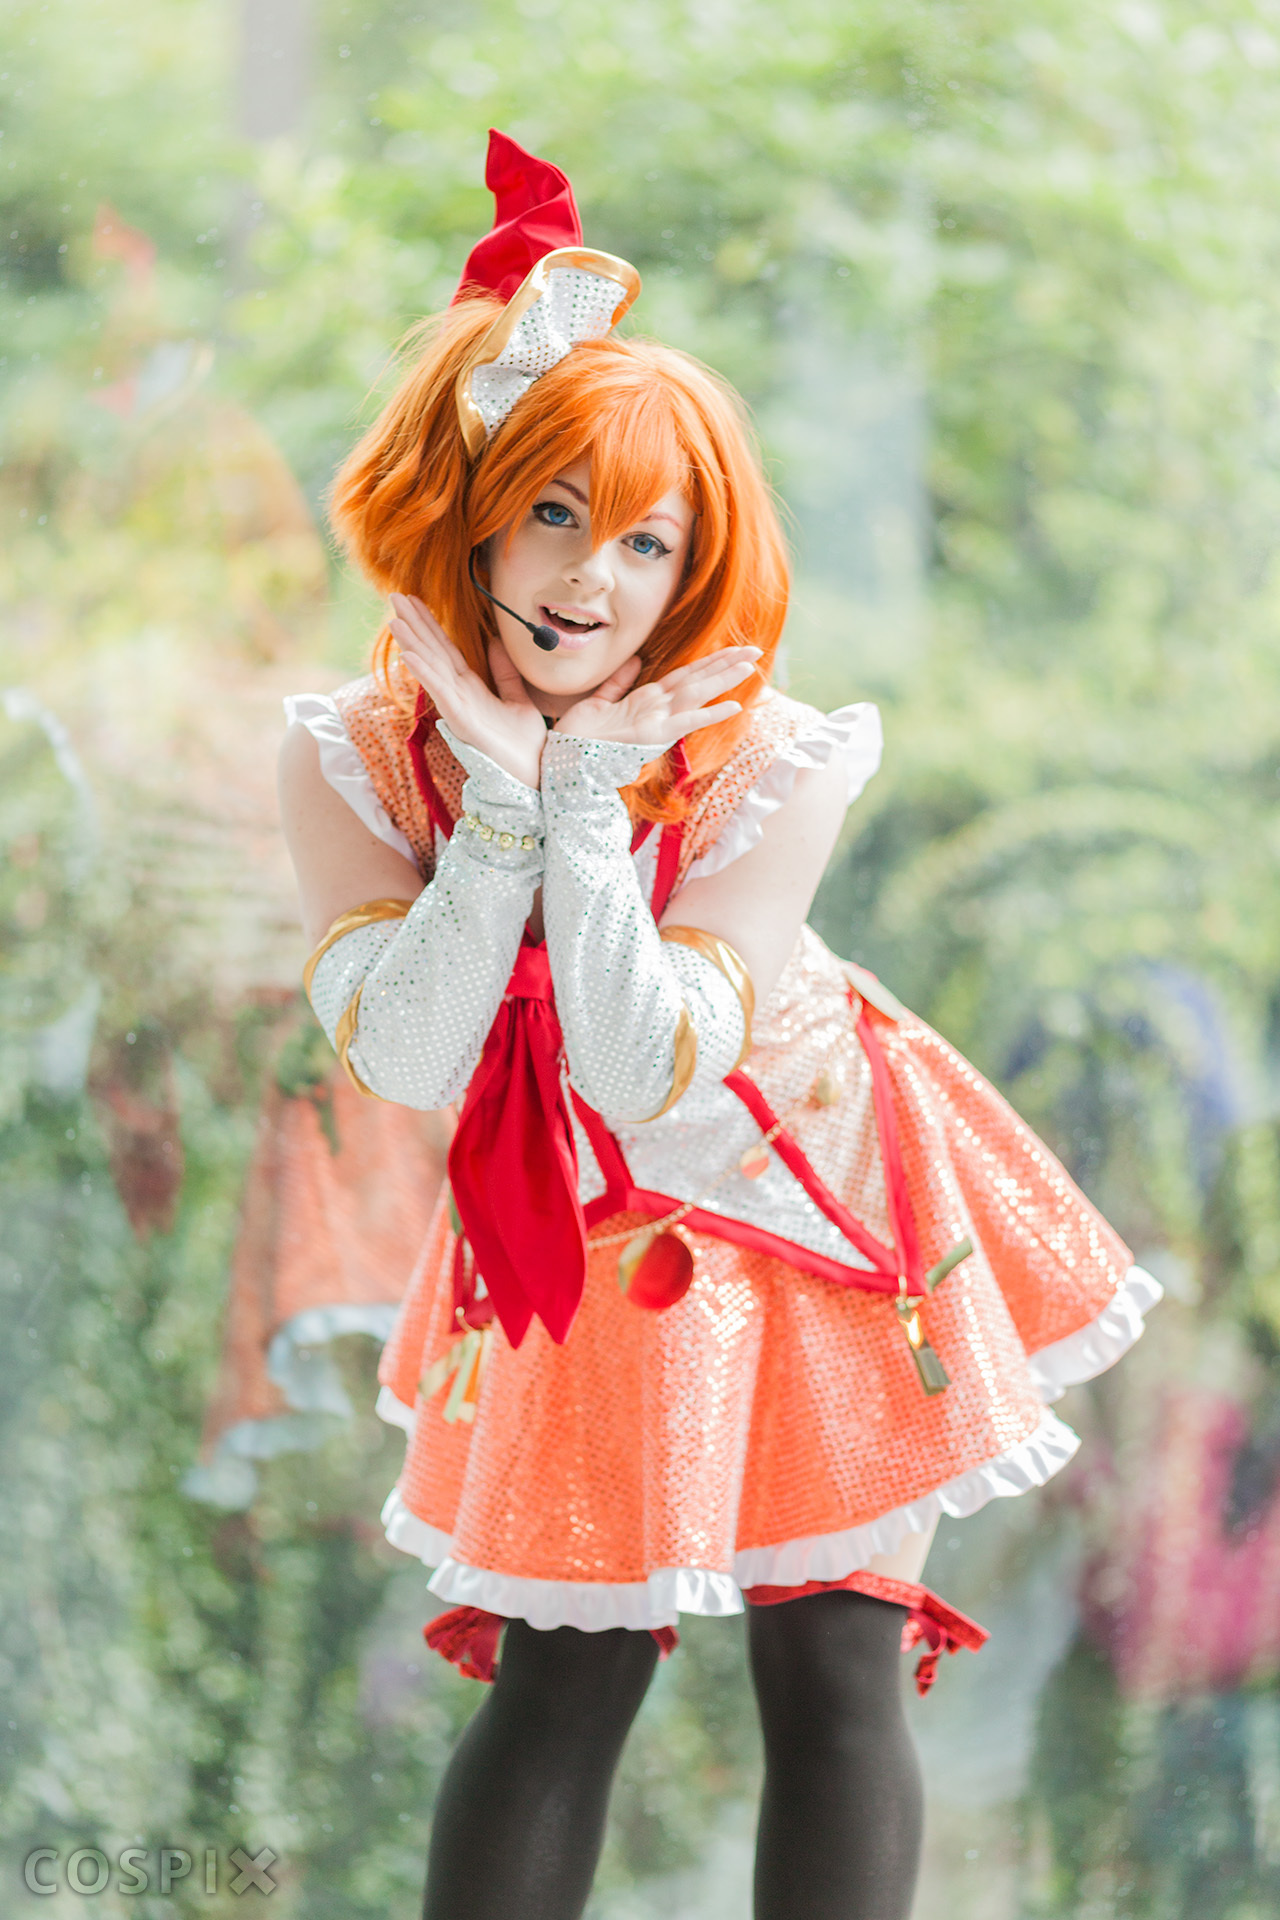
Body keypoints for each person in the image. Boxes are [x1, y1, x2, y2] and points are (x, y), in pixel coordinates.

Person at [279, 131, 1162, 1920]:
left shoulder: (772, 761)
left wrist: (576, 800)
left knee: (833, 1655)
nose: (592, 579)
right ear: (469, 509)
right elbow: (408, 1058)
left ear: (694, 568)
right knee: (567, 1661)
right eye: (554, 514)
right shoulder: (359, 757)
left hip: (812, 1190)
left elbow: (646, 1060)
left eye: (647, 541)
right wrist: (506, 810)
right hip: (576, 1222)